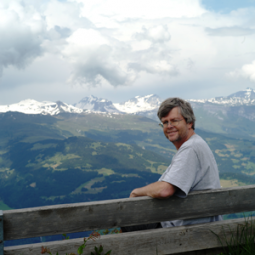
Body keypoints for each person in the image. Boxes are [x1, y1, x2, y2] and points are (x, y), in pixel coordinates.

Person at [121, 97, 222, 232]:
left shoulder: (190, 148)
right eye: (165, 122)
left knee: (126, 218)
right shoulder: (196, 143)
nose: (169, 126)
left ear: (189, 123)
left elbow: (165, 190)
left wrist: (135, 193)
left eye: (175, 120)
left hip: (185, 229)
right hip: (196, 222)